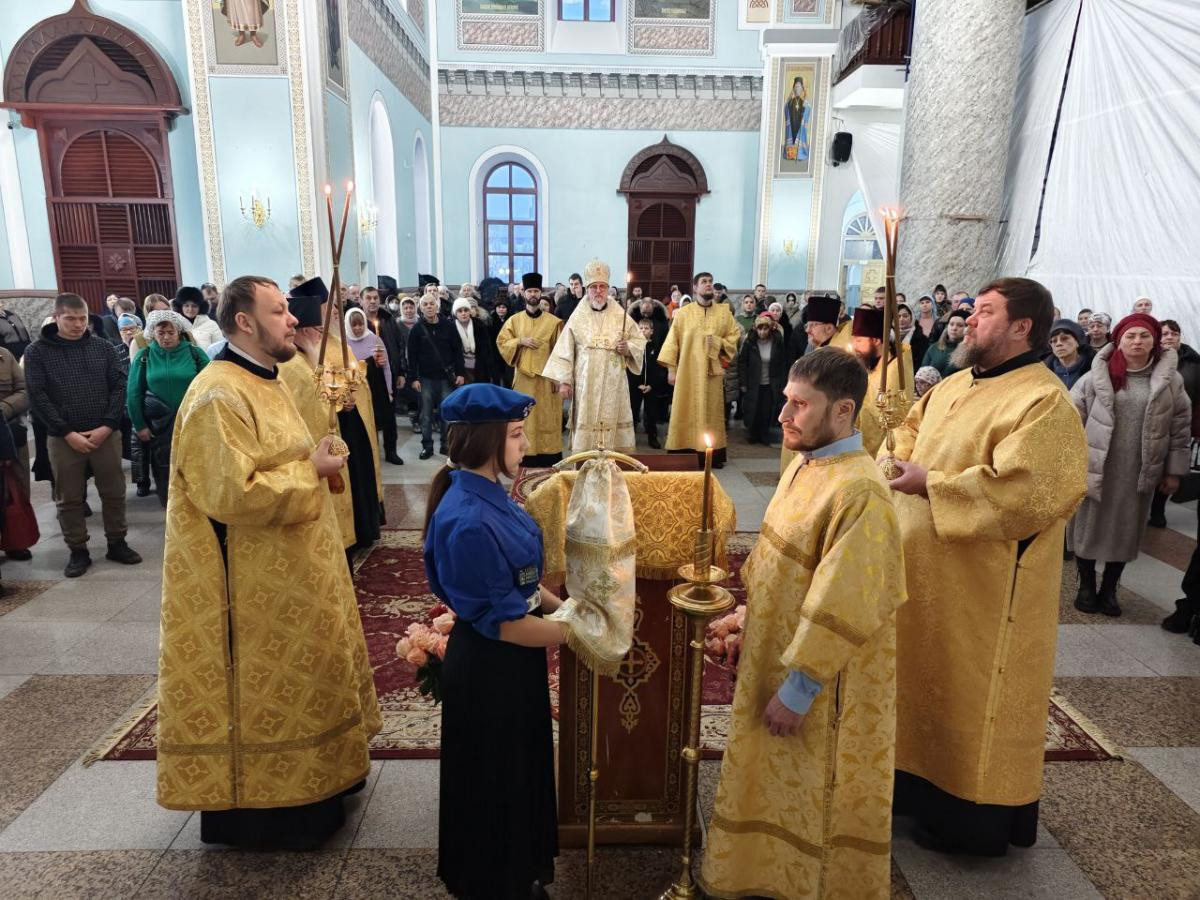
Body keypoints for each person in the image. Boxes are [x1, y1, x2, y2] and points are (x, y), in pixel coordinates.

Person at [156, 274, 380, 848]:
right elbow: (231, 493)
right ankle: (275, 811)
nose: (292, 320)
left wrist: (316, 454)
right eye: (279, 311)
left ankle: (327, 781)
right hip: (254, 587)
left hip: (298, 568)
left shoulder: (270, 377)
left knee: (311, 676)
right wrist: (312, 470)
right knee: (277, 693)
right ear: (244, 321)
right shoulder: (217, 395)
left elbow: (282, 453)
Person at [887, 277, 1088, 856]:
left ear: (1022, 326)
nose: (969, 319)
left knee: (970, 692)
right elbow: (905, 434)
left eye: (984, 311)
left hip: (986, 588)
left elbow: (1028, 492)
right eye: (972, 310)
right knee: (916, 678)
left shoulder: (1043, 401)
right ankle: (909, 791)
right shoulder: (953, 385)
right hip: (922, 570)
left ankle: (968, 819)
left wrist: (932, 483)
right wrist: (893, 458)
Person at [699, 348, 906, 900]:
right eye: (786, 400)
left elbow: (847, 603)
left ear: (843, 410)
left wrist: (799, 690)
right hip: (775, 650)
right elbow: (780, 563)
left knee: (814, 789)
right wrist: (747, 617)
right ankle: (764, 876)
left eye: (799, 404)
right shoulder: (807, 465)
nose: (783, 415)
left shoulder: (861, 493)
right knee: (771, 776)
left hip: (822, 684)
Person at [423, 383, 564, 899]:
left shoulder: (488, 492)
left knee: (517, 769)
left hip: (511, 660)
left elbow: (521, 582)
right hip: (491, 666)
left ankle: (517, 872)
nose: (526, 444)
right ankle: (495, 883)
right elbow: (504, 623)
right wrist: (577, 632)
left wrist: (562, 607)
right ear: (487, 440)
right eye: (517, 434)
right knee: (495, 778)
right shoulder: (469, 520)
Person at [1068, 314, 1190, 616]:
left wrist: (1173, 471)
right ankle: (1086, 585)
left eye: (1144, 336)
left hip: (1138, 469)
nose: (1137, 341)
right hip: (1096, 466)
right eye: (1130, 336)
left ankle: (1110, 589)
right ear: (1118, 340)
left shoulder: (1170, 381)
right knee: (1087, 527)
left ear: (1155, 341)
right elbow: (1069, 420)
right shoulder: (1096, 377)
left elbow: (1180, 427)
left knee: (1125, 531)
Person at [23, 294, 141, 577]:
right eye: (70, 319)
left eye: (82, 318)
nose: (78, 324)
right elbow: (37, 395)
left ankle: (117, 542)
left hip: (104, 433)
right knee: (69, 498)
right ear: (56, 318)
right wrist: (67, 432)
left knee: (113, 492)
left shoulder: (103, 347)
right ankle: (78, 549)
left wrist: (107, 426)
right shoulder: (37, 351)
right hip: (63, 437)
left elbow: (119, 386)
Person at [277, 281, 359, 557]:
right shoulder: (293, 365)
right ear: (305, 331)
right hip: (311, 450)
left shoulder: (303, 358)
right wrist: (313, 352)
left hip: (326, 442)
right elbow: (327, 396)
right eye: (316, 329)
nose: (319, 334)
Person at [542, 259, 645, 453]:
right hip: (585, 383)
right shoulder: (578, 315)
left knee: (613, 432)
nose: (598, 291)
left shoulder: (620, 313)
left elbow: (639, 341)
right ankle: (584, 463)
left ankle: (614, 465)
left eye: (602, 287)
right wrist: (564, 382)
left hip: (614, 383)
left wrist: (628, 348)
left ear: (608, 289)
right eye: (594, 287)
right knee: (586, 433)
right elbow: (564, 348)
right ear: (587, 289)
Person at [659, 272, 741, 468]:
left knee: (711, 413)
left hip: (712, 376)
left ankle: (711, 455)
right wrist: (671, 370)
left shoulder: (724, 313)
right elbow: (672, 343)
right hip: (687, 374)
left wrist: (718, 342)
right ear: (695, 288)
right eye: (704, 282)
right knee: (685, 410)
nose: (708, 285)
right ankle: (682, 451)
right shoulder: (683, 313)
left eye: (710, 282)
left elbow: (734, 338)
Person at [126, 310, 208, 506]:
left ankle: (198, 508)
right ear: (152, 333)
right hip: (158, 425)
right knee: (164, 468)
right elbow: (133, 392)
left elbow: (211, 384)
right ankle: (171, 508)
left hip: (192, 422)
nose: (166, 337)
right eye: (160, 333)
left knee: (195, 466)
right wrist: (140, 425)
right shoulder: (144, 356)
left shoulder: (195, 353)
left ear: (179, 332)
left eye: (171, 333)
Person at [495, 272, 564, 467]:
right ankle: (524, 455)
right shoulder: (514, 321)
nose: (533, 294)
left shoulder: (554, 322)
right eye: (530, 291)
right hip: (524, 379)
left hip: (547, 379)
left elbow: (561, 351)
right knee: (526, 417)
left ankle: (549, 457)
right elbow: (502, 342)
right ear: (524, 293)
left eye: (536, 291)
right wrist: (520, 341)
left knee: (547, 417)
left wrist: (559, 379)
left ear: (541, 293)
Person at [1151, 319, 1200, 531]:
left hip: (1180, 424)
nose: (1169, 337)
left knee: (1169, 469)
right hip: (1153, 422)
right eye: (1164, 334)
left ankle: (1158, 510)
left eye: (1174, 333)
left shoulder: (1194, 363)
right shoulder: (1151, 359)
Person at [408, 294, 466, 460]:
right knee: (425, 415)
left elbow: (457, 351)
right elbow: (411, 356)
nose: (429, 306)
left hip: (446, 379)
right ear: (421, 308)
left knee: (446, 413)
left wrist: (460, 373)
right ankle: (427, 446)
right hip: (425, 378)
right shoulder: (417, 329)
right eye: (425, 304)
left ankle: (446, 445)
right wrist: (413, 378)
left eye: (431, 303)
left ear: (437, 305)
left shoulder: (449, 326)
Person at [346, 307, 403, 468]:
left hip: (377, 386)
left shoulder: (374, 338)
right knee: (365, 422)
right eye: (354, 325)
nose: (358, 328)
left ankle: (391, 451)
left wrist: (389, 390)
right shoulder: (343, 341)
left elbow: (386, 366)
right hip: (357, 388)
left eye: (360, 324)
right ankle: (371, 451)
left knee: (387, 420)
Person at [360, 287, 406, 464]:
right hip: (366, 377)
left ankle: (391, 451)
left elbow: (398, 346)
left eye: (375, 298)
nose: (372, 301)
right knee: (368, 415)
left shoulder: (388, 319)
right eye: (368, 298)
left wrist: (400, 372)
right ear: (361, 301)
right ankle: (371, 451)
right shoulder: (357, 320)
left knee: (389, 416)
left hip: (388, 374)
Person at [0, 343, 32, 560]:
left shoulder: (4, 355)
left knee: (16, 489)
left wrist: (2, 410)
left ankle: (15, 540)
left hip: (10, 434)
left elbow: (24, 391)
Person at [736, 314, 786, 445]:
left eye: (765, 329)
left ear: (770, 329)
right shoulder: (750, 342)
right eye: (760, 329)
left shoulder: (777, 342)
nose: (762, 332)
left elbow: (782, 363)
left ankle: (764, 435)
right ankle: (752, 434)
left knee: (766, 410)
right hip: (753, 382)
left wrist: (782, 383)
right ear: (756, 329)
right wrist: (743, 382)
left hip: (770, 383)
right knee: (753, 409)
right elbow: (742, 363)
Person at [628, 316, 670, 449]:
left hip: (651, 387)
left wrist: (651, 385)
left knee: (651, 413)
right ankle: (630, 438)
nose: (643, 330)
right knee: (633, 412)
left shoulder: (656, 347)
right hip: (636, 386)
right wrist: (637, 384)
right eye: (640, 328)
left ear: (652, 331)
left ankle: (653, 437)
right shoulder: (633, 347)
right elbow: (629, 367)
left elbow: (659, 369)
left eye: (646, 328)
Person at [451, 298, 496, 386]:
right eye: (460, 311)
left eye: (466, 310)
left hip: (480, 369)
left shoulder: (479, 325)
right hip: (461, 371)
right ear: (455, 313)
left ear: (469, 311)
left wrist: (491, 372)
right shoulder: (451, 328)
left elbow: (487, 350)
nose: (463, 313)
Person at [1045, 318, 1093, 390]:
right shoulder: (1044, 371)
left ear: (1077, 342)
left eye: (1064, 338)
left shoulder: (1093, 367)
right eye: (1054, 341)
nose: (1058, 343)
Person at [921, 310, 967, 376]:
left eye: (960, 325)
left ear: (967, 328)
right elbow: (922, 373)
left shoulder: (969, 351)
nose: (954, 328)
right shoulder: (934, 348)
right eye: (951, 324)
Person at [897, 302, 930, 371]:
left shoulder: (921, 339)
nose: (901, 319)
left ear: (911, 317)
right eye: (898, 316)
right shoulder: (890, 336)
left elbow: (921, 363)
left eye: (905, 316)